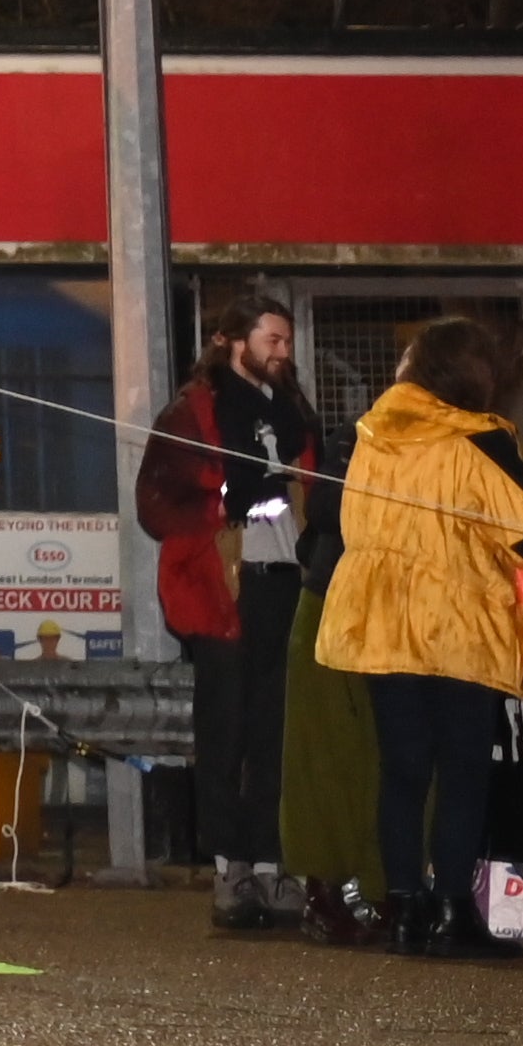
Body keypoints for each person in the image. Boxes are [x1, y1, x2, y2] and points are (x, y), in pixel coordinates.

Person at [316, 313, 523, 961]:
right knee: (463, 773)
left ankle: (405, 909)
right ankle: (453, 914)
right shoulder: (476, 441)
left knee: (402, 770)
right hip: (455, 623)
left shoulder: (372, 434)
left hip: (379, 619)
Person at [139, 300, 325, 922]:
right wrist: (227, 500)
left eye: (287, 340)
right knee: (225, 731)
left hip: (284, 582)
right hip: (223, 589)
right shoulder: (192, 413)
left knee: (276, 731)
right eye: (272, 339)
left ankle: (272, 864)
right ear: (231, 342)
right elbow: (157, 504)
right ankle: (231, 872)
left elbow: (314, 488)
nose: (283, 351)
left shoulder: (294, 411)